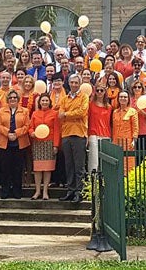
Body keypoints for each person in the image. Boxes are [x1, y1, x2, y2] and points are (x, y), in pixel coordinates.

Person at [58, 74, 89, 203]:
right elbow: (60, 114)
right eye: (72, 82)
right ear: (69, 83)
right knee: (69, 165)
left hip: (79, 134)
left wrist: (67, 114)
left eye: (76, 83)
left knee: (79, 166)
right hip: (66, 134)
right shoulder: (64, 98)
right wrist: (70, 114)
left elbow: (82, 112)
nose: (74, 85)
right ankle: (70, 190)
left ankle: (79, 192)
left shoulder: (84, 97)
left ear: (80, 84)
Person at [0, 90, 31, 199]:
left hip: (19, 142)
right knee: (5, 168)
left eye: (15, 98)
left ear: (18, 100)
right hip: (4, 142)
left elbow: (27, 125)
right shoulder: (1, 111)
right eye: (10, 98)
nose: (12, 100)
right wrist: (8, 133)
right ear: (7, 100)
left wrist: (16, 133)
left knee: (18, 168)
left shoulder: (24, 111)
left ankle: (17, 192)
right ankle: (5, 191)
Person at [29, 93, 61, 200]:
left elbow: (57, 130)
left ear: (49, 102)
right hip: (37, 143)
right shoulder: (34, 114)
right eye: (43, 101)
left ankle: (45, 192)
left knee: (47, 168)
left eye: (46, 101)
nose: (44, 102)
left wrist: (56, 145)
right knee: (37, 168)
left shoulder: (54, 114)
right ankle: (37, 191)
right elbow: (30, 127)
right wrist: (32, 132)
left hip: (49, 143)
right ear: (39, 102)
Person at [112, 91, 139, 174]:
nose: (123, 99)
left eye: (125, 97)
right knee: (117, 162)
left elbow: (135, 127)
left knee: (128, 163)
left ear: (128, 99)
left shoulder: (132, 111)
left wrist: (134, 140)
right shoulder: (115, 112)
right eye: (121, 97)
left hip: (128, 141)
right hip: (116, 141)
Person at [87, 84, 112, 173]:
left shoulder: (109, 107)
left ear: (105, 92)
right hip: (93, 134)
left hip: (106, 134)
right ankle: (93, 181)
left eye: (102, 90)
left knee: (105, 161)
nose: (99, 92)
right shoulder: (90, 105)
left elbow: (109, 122)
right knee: (94, 160)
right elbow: (87, 120)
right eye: (97, 90)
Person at [130, 81, 146, 153]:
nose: (137, 89)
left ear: (142, 89)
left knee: (142, 155)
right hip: (131, 131)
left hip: (143, 131)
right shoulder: (129, 100)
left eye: (139, 87)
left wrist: (143, 113)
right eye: (135, 87)